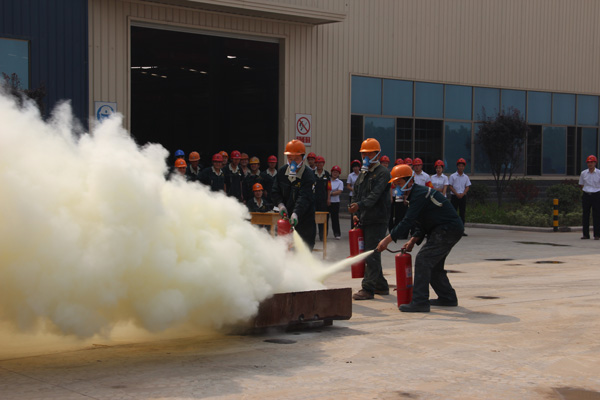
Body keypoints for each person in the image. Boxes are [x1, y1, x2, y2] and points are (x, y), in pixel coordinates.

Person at [377, 164, 464, 313]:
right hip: (443, 229)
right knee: (434, 265)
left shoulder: (419, 194)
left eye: (399, 183)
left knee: (423, 259)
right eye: (395, 184)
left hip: (447, 229)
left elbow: (407, 221)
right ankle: (447, 297)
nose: (397, 188)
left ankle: (420, 302)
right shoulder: (415, 196)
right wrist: (413, 240)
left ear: (410, 181)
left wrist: (387, 240)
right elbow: (422, 222)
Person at [348, 138, 391, 300]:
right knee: (370, 252)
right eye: (363, 154)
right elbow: (356, 192)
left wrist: (359, 205)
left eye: (369, 154)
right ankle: (381, 285)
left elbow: (375, 196)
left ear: (377, 154)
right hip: (365, 217)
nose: (365, 157)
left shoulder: (383, 173)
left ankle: (368, 288)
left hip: (378, 219)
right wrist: (355, 211)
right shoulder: (363, 173)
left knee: (371, 253)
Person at [271, 139, 316, 250]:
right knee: (284, 250)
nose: (293, 162)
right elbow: (275, 191)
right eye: (290, 159)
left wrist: (296, 213)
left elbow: (305, 197)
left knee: (303, 250)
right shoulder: (282, 172)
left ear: (303, 158)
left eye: (296, 159)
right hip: (286, 220)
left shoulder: (308, 175)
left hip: (304, 221)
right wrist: (280, 205)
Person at [579, 155, 600, 240]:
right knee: (585, 214)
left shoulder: (599, 173)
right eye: (588, 162)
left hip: (596, 194)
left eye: (592, 162)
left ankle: (597, 234)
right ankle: (586, 234)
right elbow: (581, 184)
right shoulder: (583, 173)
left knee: (597, 215)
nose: (590, 164)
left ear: (595, 163)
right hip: (586, 194)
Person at [449, 158, 471, 236]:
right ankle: (453, 229)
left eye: (462, 166)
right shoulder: (453, 176)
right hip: (454, 196)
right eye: (459, 166)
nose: (461, 167)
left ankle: (461, 230)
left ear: (464, 167)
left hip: (462, 197)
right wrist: (456, 193)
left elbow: (467, 186)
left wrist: (463, 193)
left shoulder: (466, 177)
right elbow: (450, 186)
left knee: (462, 213)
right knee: (453, 213)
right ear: (457, 166)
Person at [314, 155, 331, 241]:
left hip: (324, 200)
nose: (319, 164)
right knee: (313, 218)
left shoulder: (327, 174)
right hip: (314, 199)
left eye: (321, 163)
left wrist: (328, 198)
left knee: (324, 218)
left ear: (323, 164)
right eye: (317, 163)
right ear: (315, 164)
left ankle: (323, 235)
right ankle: (312, 235)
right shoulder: (312, 174)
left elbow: (329, 188)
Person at [329, 165, 343, 239]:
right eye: (334, 172)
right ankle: (324, 233)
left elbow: (339, 191)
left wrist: (330, 193)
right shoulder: (328, 181)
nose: (335, 174)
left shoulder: (340, 182)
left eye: (337, 172)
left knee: (335, 219)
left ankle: (337, 233)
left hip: (335, 202)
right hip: (328, 201)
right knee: (325, 218)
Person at [346, 159, 361, 228]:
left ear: (359, 167)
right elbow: (348, 186)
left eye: (357, 167)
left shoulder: (362, 174)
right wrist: (354, 190)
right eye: (354, 167)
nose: (355, 168)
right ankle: (353, 227)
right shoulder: (350, 175)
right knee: (353, 212)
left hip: (360, 196)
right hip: (352, 195)